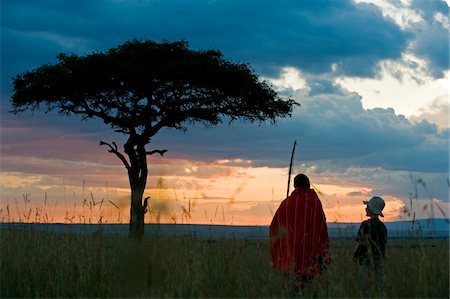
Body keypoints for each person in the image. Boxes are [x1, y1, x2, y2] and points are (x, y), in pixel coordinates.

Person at [269, 174, 330, 289]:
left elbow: (274, 229)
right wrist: (324, 254)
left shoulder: (287, 203)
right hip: (310, 259)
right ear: (308, 185)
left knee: (290, 290)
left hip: (289, 259)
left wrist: (280, 252)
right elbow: (322, 229)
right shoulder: (315, 203)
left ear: (294, 186)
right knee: (307, 290)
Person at [353, 196, 387, 296]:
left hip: (365, 263)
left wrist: (355, 258)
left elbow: (360, 244)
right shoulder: (383, 227)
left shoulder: (365, 225)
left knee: (365, 290)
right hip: (379, 263)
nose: (365, 208)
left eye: (367, 206)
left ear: (371, 209)